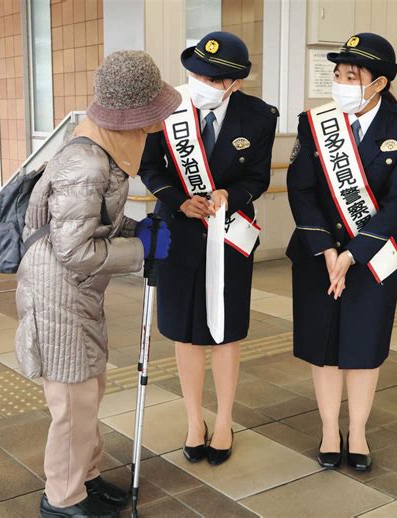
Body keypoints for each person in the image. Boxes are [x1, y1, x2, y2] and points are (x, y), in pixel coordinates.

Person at [15, 51, 180, 518]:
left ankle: (84, 475)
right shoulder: (86, 163)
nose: (154, 130)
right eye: (150, 120)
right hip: (60, 291)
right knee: (73, 397)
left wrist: (134, 228)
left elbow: (91, 220)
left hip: (77, 290)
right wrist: (143, 251)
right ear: (130, 118)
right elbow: (72, 250)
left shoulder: (98, 148)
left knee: (89, 386)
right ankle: (62, 498)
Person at [287, 33, 397, 471]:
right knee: (324, 345)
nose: (341, 82)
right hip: (317, 255)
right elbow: (302, 190)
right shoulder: (315, 123)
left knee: (364, 348)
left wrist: (352, 254)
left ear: (379, 82)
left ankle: (360, 430)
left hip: (373, 261)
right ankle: (330, 429)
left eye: (353, 75)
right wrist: (327, 249)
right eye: (337, 74)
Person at [139, 31, 278, 466]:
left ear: (235, 83)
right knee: (184, 331)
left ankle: (223, 422)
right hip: (178, 234)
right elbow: (149, 168)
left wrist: (228, 196)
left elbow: (257, 178)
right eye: (196, 72)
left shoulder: (258, 116)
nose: (201, 82)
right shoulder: (168, 108)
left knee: (226, 329)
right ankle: (194, 419)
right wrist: (178, 199)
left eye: (213, 78)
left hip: (230, 235)